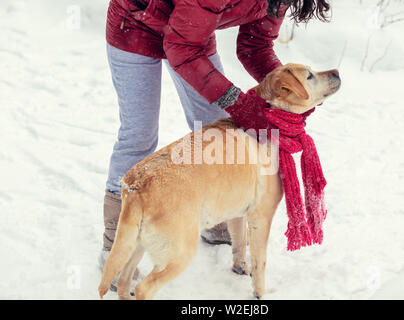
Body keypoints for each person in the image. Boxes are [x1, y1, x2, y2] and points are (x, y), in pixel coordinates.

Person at [100, 0, 331, 271]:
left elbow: (255, 44)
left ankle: (215, 213)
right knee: (139, 134)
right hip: (136, 28)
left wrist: (287, 92)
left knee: (212, 125)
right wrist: (239, 103)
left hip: (192, 35)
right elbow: (181, 49)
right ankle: (116, 240)